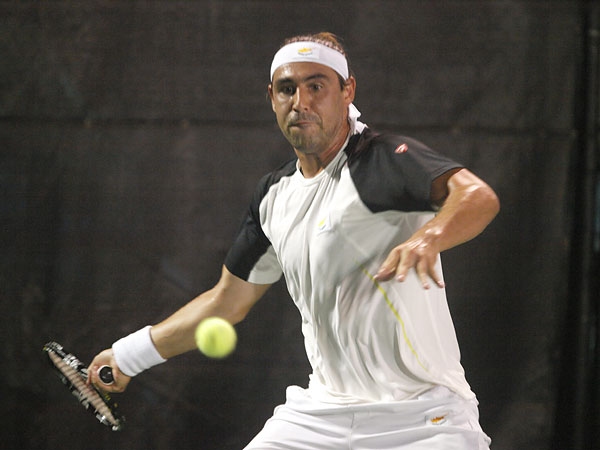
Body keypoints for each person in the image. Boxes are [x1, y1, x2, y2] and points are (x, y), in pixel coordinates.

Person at [88, 32, 500, 449]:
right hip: (321, 415)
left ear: (347, 91)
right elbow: (226, 302)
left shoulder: (383, 160)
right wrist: (128, 356)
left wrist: (429, 237)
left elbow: (477, 196)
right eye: (287, 88)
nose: (301, 102)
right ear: (272, 97)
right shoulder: (274, 197)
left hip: (424, 416)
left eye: (316, 86)